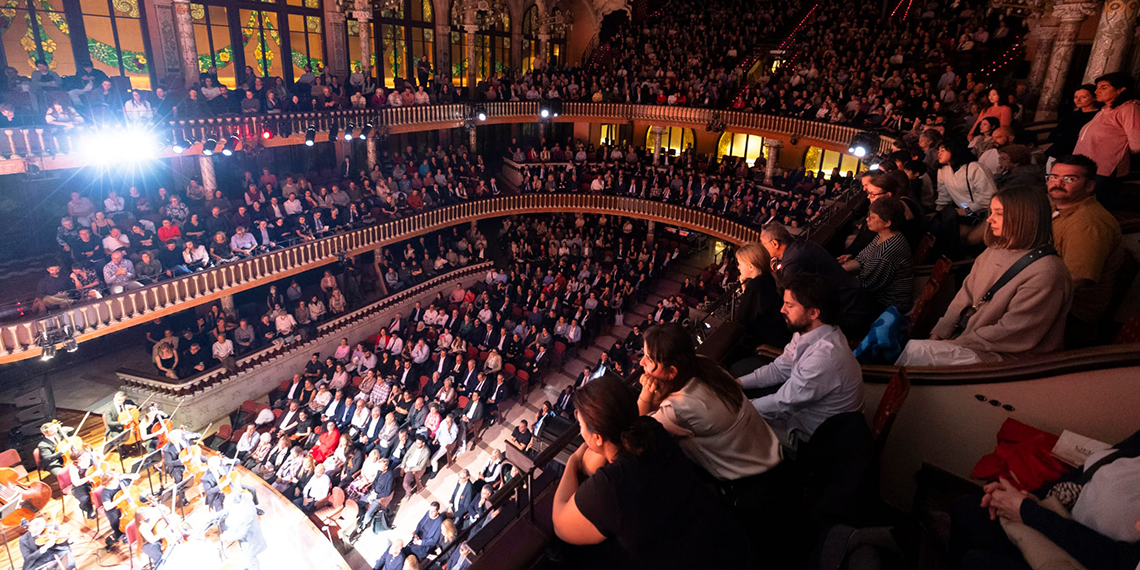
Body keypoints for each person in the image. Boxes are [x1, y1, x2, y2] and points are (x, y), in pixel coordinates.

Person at [551, 374, 753, 569]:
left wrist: (572, 462)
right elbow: (598, 460)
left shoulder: (609, 486)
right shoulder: (651, 430)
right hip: (728, 540)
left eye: (581, 426)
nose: (580, 432)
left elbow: (560, 523)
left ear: (597, 437)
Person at [634, 323, 792, 548]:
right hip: (776, 462)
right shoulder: (706, 366)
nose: (641, 363)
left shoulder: (678, 408)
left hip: (750, 493)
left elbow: (640, 433)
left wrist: (645, 395)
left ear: (671, 372)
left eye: (649, 359)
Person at [896, 184, 1073, 366]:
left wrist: (956, 344)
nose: (989, 220)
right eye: (991, 212)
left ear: (1024, 218)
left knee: (916, 353)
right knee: (914, 350)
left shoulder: (1046, 272)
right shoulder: (994, 250)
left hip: (1008, 359)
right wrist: (940, 332)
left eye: (999, 213)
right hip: (970, 341)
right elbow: (965, 295)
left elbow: (1013, 330)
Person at [949, 429, 1140, 570]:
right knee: (965, 508)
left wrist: (1028, 511)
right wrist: (1032, 496)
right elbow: (1088, 472)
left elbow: (1122, 561)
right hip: (1059, 519)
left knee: (976, 562)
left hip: (1087, 555)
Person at [737, 274, 864, 448]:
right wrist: (738, 383)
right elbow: (779, 369)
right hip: (804, 414)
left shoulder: (825, 357)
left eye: (789, 305)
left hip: (814, 440)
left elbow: (782, 404)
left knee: (734, 430)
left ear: (813, 312)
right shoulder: (809, 331)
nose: (782, 310)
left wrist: (736, 410)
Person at [1047, 155, 1126, 347]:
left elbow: (1078, 280)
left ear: (1089, 186)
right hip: (1054, 301)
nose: (1058, 183)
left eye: (1070, 179)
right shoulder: (1057, 207)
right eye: (1053, 177)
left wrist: (1024, 297)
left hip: (1072, 315)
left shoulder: (1087, 223)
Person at [1072, 72, 1140, 206]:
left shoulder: (1129, 108)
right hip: (1087, 166)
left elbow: (1137, 143)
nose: (1097, 91)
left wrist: (1116, 154)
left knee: (1091, 205)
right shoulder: (1105, 109)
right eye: (1097, 88)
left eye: (1103, 87)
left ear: (1121, 89)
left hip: (1104, 169)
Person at [840, 196, 914, 314]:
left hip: (889, 304)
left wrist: (838, 277)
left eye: (873, 217)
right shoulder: (883, 236)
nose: (867, 220)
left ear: (887, 223)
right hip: (877, 293)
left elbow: (867, 285)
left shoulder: (886, 251)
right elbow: (863, 258)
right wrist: (839, 267)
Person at [935, 136, 999, 252]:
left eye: (943, 151)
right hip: (963, 215)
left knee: (969, 239)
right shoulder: (943, 171)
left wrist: (967, 210)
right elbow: (943, 197)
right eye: (938, 151)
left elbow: (990, 197)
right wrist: (938, 213)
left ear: (954, 151)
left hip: (984, 213)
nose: (938, 154)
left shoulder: (975, 168)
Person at [218, 472, 268, 570]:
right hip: (248, 541)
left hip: (251, 542)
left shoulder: (244, 508)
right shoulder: (236, 503)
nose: (239, 487)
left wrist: (225, 536)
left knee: (252, 562)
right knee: (249, 560)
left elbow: (241, 533)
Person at [1046, 84, 1100, 163]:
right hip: (1060, 150)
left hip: (1081, 153)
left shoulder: (1098, 116)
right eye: (1076, 97)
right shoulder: (1072, 114)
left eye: (1083, 97)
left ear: (1094, 98)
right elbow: (1054, 134)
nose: (1078, 100)